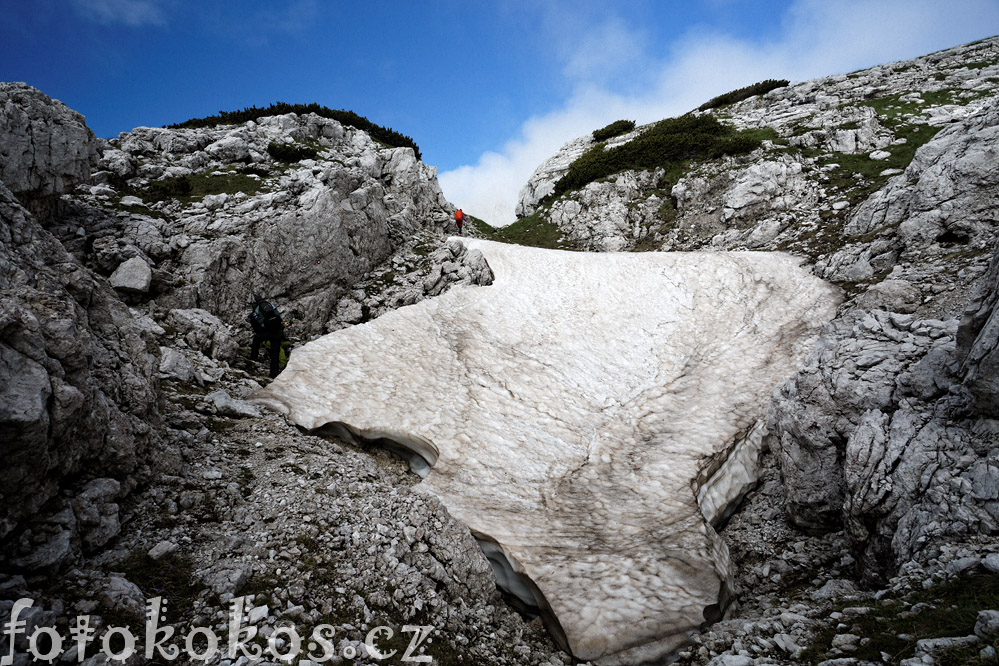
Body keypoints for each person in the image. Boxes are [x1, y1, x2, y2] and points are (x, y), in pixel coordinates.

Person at [248, 295, 289, 378]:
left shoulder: (257, 309)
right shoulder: (270, 305)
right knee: (275, 354)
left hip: (267, 332)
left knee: (256, 339)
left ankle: (253, 357)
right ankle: (273, 374)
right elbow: (278, 317)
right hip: (277, 332)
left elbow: (255, 322)